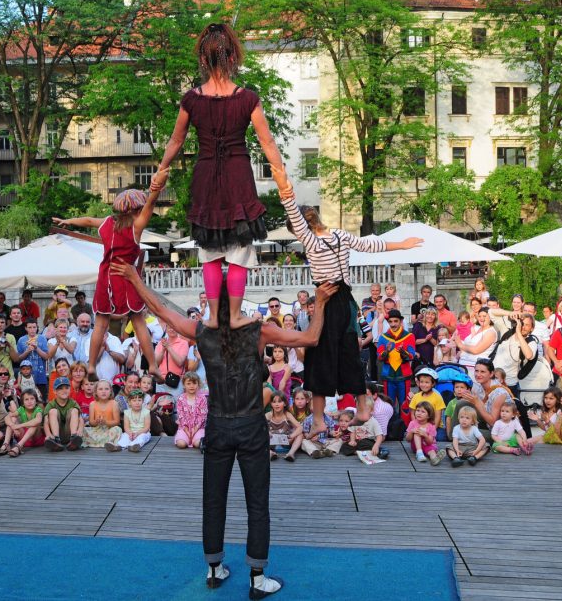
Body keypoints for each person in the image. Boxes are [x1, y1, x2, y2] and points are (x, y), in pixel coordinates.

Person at [112, 262, 337, 598]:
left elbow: (159, 309)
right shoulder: (258, 332)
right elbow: (311, 337)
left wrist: (134, 278)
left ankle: (215, 568)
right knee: (257, 502)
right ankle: (258, 579)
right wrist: (319, 302)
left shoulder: (202, 331)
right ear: (238, 301)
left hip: (217, 424)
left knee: (213, 499)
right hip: (250, 425)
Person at [148, 23, 285, 336]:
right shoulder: (248, 98)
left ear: (204, 61)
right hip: (238, 175)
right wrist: (281, 176)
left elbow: (175, 141)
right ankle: (235, 315)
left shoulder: (191, 100)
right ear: (233, 57)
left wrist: (161, 170)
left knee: (210, 250)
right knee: (240, 248)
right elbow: (268, 143)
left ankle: (211, 316)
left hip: (206, 175)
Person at [273, 168, 421, 433]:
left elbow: (292, 211)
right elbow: (372, 245)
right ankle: (363, 407)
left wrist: (284, 187)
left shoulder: (311, 241)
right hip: (346, 301)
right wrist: (402, 244)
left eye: (296, 231)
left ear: (301, 228)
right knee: (349, 355)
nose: (297, 237)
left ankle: (318, 419)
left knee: (319, 357)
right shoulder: (340, 235)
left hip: (327, 298)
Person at [53, 187, 166, 378]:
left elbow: (88, 220)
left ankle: (90, 366)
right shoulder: (136, 226)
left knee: (100, 324)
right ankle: (153, 365)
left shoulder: (107, 223)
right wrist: (155, 189)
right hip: (125, 276)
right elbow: (151, 204)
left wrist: (68, 221)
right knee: (138, 321)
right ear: (137, 209)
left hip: (106, 277)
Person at [375, 309, 417, 407]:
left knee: (405, 405)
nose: (393, 324)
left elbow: (411, 356)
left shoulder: (409, 336)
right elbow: (379, 357)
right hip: (388, 376)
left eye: (395, 321)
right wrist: (387, 351)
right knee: (389, 404)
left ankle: (405, 423)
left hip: (404, 376)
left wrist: (403, 352)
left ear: (401, 321)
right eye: (390, 321)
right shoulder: (383, 337)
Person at [43, 376, 84, 451]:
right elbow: (45, 422)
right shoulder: (51, 404)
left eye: (66, 388)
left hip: (70, 432)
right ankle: (56, 440)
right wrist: (48, 434)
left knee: (74, 410)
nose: (64, 390)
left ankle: (73, 438)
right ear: (55, 391)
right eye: (60, 388)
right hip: (57, 433)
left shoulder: (73, 402)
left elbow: (80, 419)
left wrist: (80, 430)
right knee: (53, 411)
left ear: (70, 389)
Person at [83, 380, 122, 451]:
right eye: (100, 389)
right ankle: (105, 443)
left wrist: (106, 422)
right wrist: (96, 421)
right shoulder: (92, 404)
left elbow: (117, 422)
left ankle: (110, 443)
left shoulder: (114, 403)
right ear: (96, 392)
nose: (103, 391)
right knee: (84, 429)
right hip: (96, 430)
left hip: (109, 429)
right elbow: (91, 422)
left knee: (117, 429)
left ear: (110, 391)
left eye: (106, 389)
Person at [266, 393, 302, 462]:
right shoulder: (268, 415)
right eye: (274, 402)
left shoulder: (287, 415)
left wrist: (291, 436)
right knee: (258, 435)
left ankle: (290, 454)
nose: (277, 404)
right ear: (271, 404)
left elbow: (300, 427)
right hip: (271, 442)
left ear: (285, 404)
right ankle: (270, 453)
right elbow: (259, 428)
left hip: (285, 441)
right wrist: (267, 433)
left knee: (300, 435)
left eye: (279, 401)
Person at [175, 373, 208, 449]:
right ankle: (181, 437)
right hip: (184, 427)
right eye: (188, 383)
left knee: (197, 444)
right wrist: (186, 430)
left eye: (194, 383)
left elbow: (203, 416)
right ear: (184, 385)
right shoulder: (181, 398)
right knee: (181, 444)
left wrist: (195, 429)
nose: (191, 386)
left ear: (198, 384)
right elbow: (181, 416)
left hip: (198, 427)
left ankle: (200, 441)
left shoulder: (202, 398)